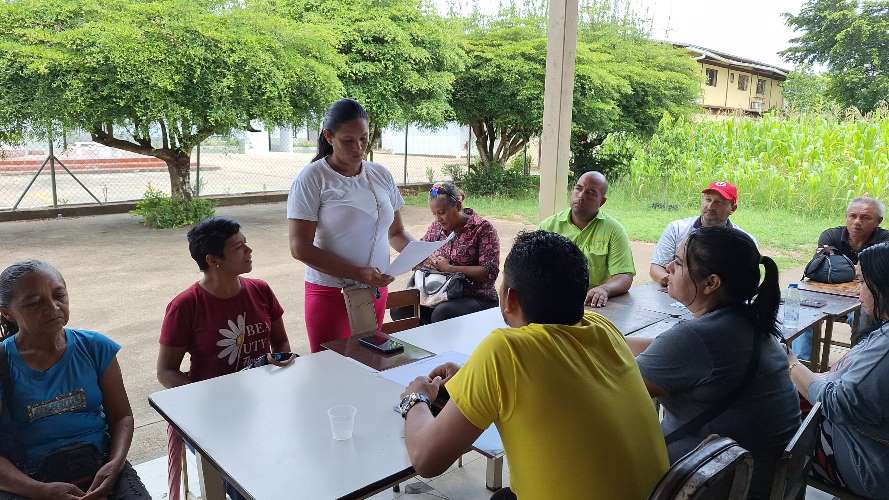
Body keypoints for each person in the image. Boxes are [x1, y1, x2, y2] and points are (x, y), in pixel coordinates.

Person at [398, 231, 668, 500]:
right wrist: (471, 378)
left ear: (511, 299)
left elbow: (426, 460)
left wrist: (416, 398)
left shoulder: (505, 350)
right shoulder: (603, 328)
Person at [628, 227, 800, 500]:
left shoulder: (697, 338)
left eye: (679, 263)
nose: (668, 268)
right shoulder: (745, 322)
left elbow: (619, 390)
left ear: (711, 283)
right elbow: (658, 348)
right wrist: (597, 337)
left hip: (716, 486)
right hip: (755, 478)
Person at [157, 216, 293, 500]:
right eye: (239, 247)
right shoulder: (186, 305)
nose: (249, 251)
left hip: (265, 400)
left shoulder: (260, 290)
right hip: (214, 416)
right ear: (213, 260)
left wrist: (281, 365)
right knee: (246, 483)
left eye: (246, 244)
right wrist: (210, 396)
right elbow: (166, 372)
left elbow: (280, 341)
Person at [0, 260, 150, 500]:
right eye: (34, 302)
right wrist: (40, 490)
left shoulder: (95, 348)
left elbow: (122, 417)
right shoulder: (3, 363)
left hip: (101, 465)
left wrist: (115, 464)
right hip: (27, 480)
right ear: (7, 313)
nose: (53, 307)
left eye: (59, 295)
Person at [288, 98, 414, 352]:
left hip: (374, 290)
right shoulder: (313, 178)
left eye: (364, 139)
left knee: (370, 359)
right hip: (331, 294)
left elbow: (396, 233)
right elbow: (299, 247)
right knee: (331, 367)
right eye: (348, 140)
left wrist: (420, 254)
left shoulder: (380, 174)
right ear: (329, 137)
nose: (358, 148)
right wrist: (356, 272)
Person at [785, 242, 889, 499]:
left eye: (863, 283)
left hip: (868, 465)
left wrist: (790, 363)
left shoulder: (885, 349)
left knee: (766, 431)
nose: (858, 292)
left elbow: (834, 403)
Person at [792, 197, 888, 358]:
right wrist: (861, 270)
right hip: (828, 296)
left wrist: (839, 268)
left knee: (864, 316)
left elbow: (880, 278)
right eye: (853, 216)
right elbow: (820, 269)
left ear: (878, 221)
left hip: (864, 299)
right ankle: (801, 363)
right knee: (803, 308)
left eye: (865, 218)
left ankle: (859, 362)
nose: (857, 222)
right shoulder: (831, 235)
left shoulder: (885, 241)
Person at [392, 182, 499, 324]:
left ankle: (436, 335)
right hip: (438, 293)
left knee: (442, 313)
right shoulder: (436, 227)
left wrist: (450, 269)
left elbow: (489, 272)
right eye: (434, 214)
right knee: (400, 308)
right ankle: (427, 336)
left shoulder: (482, 229)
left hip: (474, 296)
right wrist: (429, 261)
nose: (438, 219)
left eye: (441, 213)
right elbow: (421, 253)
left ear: (458, 206)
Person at [539, 171, 635, 308]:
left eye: (591, 192)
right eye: (578, 188)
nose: (581, 195)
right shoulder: (547, 227)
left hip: (593, 305)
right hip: (551, 302)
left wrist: (604, 289)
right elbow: (530, 268)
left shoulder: (614, 231)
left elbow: (624, 276)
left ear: (602, 201)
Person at [649, 181, 756, 287]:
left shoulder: (745, 242)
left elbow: (744, 280)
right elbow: (656, 268)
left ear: (733, 208)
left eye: (718, 202)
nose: (710, 206)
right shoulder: (676, 229)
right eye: (708, 199)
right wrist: (677, 285)